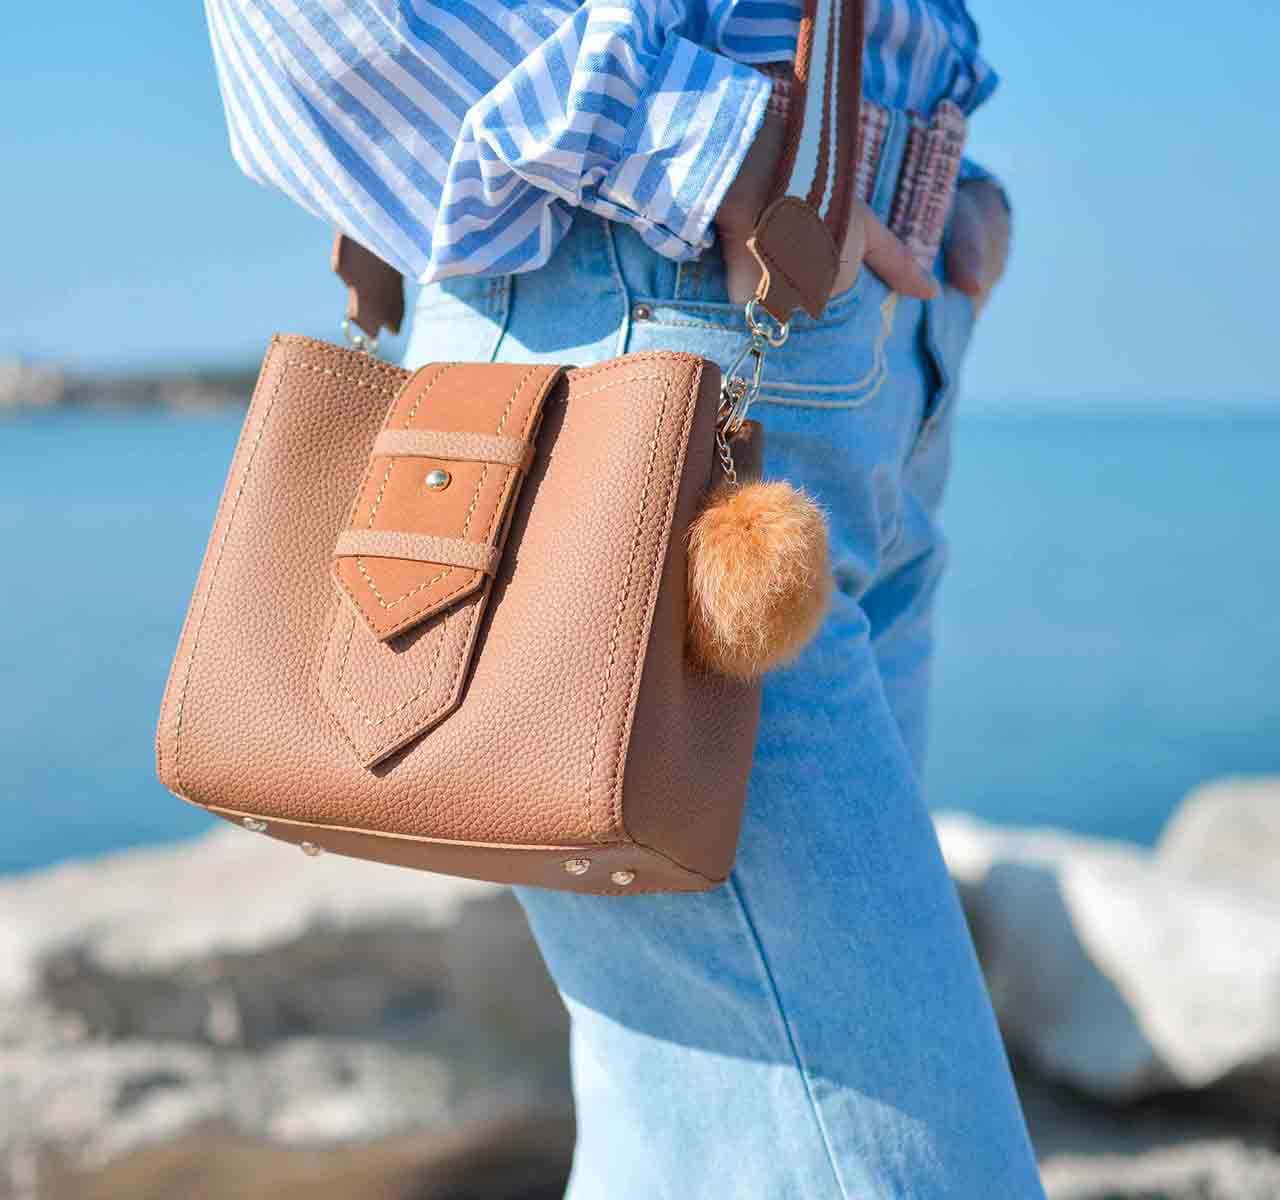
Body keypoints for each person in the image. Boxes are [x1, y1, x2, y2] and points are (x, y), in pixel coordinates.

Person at [203, 0, 1037, 1194]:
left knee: (694, 1144)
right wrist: (723, 151)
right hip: (661, 296)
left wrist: (947, 184)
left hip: (858, 336)